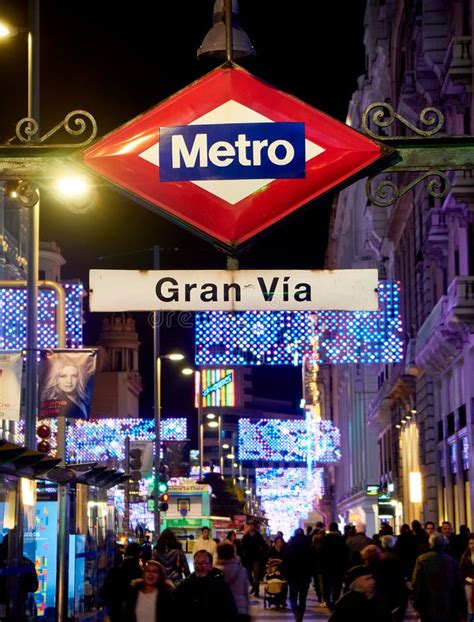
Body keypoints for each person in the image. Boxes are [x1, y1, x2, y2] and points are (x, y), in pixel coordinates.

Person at [412, 532, 467, 622]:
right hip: (448, 604)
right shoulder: (451, 561)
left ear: (430, 544)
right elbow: (459, 586)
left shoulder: (422, 559)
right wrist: (462, 608)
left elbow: (416, 583)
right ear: (444, 544)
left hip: (428, 603)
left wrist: (417, 602)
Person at [175, 550, 238, 622]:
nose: (199, 567)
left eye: (203, 563)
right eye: (197, 563)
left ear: (211, 566)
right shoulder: (185, 585)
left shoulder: (220, 586)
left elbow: (230, 611)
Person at [328, 565, 393, 621]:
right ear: (355, 582)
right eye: (368, 579)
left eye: (372, 578)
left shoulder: (379, 598)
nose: (373, 581)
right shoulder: (347, 601)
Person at [99, 541, 143, 622]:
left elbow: (103, 593)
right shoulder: (141, 573)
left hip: (116, 613)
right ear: (139, 554)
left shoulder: (115, 571)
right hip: (135, 615)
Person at [39, 355, 91, 419]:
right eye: (63, 376)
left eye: (74, 376)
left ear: (78, 378)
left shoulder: (84, 399)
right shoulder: (53, 403)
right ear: (56, 379)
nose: (69, 381)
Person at [282, 528, 312, 622]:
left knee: (293, 598)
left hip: (293, 576)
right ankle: (301, 616)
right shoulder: (308, 546)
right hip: (305, 576)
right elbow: (312, 562)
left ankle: (295, 612)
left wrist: (285, 575)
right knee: (303, 598)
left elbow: (285, 561)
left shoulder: (290, 545)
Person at [215, 542, 250, 621]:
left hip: (222, 610)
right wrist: (247, 609)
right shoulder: (242, 570)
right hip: (240, 609)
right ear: (232, 553)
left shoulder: (215, 571)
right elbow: (245, 593)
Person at [319, 521, 349, 611]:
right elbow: (345, 555)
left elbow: (321, 554)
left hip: (327, 568)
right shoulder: (342, 540)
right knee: (337, 586)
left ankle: (328, 602)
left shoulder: (324, 540)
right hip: (339, 568)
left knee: (327, 586)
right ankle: (335, 601)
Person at [240, 521, 267, 597]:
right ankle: (254, 586)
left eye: (253, 526)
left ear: (255, 527)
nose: (252, 527)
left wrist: (262, 554)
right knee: (248, 574)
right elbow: (242, 547)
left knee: (256, 575)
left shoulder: (258, 536)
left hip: (256, 558)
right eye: (250, 526)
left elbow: (264, 546)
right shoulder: (246, 536)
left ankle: (257, 591)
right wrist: (243, 555)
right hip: (248, 558)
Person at [460, 534, 474, 622]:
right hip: (469, 584)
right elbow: (461, 571)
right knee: (470, 605)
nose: (472, 545)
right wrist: (470, 579)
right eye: (471, 543)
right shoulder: (465, 556)